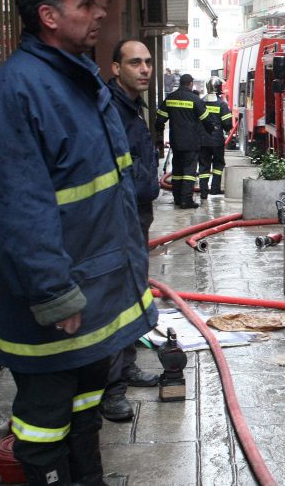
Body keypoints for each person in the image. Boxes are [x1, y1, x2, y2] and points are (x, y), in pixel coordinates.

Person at [0, 0, 158, 485]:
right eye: (86, 3)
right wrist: (53, 292)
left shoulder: (79, 79)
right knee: (43, 424)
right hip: (59, 305)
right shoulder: (15, 92)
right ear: (49, 16)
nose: (100, 12)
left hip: (94, 289)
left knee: (84, 409)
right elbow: (17, 208)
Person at [102, 39, 162, 422]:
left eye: (148, 62)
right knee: (116, 301)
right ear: (115, 68)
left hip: (138, 214)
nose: (144, 69)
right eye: (134, 62)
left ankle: (126, 368)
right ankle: (111, 391)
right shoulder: (110, 110)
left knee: (134, 296)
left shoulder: (132, 108)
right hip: (119, 219)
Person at [156, 73, 217, 208]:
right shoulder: (195, 100)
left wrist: (159, 137)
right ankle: (186, 200)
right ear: (190, 84)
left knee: (177, 171)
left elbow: (160, 119)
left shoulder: (170, 98)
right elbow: (206, 120)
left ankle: (177, 198)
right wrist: (212, 131)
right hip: (191, 142)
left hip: (176, 142)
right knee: (189, 172)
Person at [198, 77, 234, 201]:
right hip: (217, 141)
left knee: (203, 166)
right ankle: (214, 189)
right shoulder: (222, 104)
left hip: (202, 140)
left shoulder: (200, 102)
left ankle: (203, 192)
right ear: (219, 89)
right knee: (218, 164)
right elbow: (228, 123)